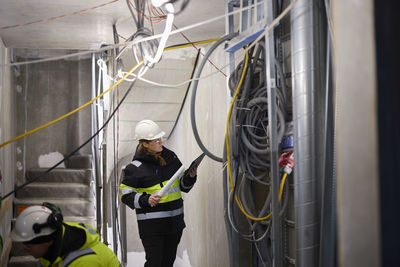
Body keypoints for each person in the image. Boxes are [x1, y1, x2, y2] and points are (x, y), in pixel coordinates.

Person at [119, 119, 198, 267]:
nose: (160, 141)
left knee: (168, 263)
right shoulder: (135, 168)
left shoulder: (171, 158)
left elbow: (183, 186)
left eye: (160, 138)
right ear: (145, 144)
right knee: (154, 263)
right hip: (152, 228)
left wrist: (190, 177)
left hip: (174, 224)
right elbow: (125, 195)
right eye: (156, 140)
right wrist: (146, 200)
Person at [11, 203, 121, 267]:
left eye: (28, 245)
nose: (24, 249)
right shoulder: (59, 234)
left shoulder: (84, 263)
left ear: (48, 241)